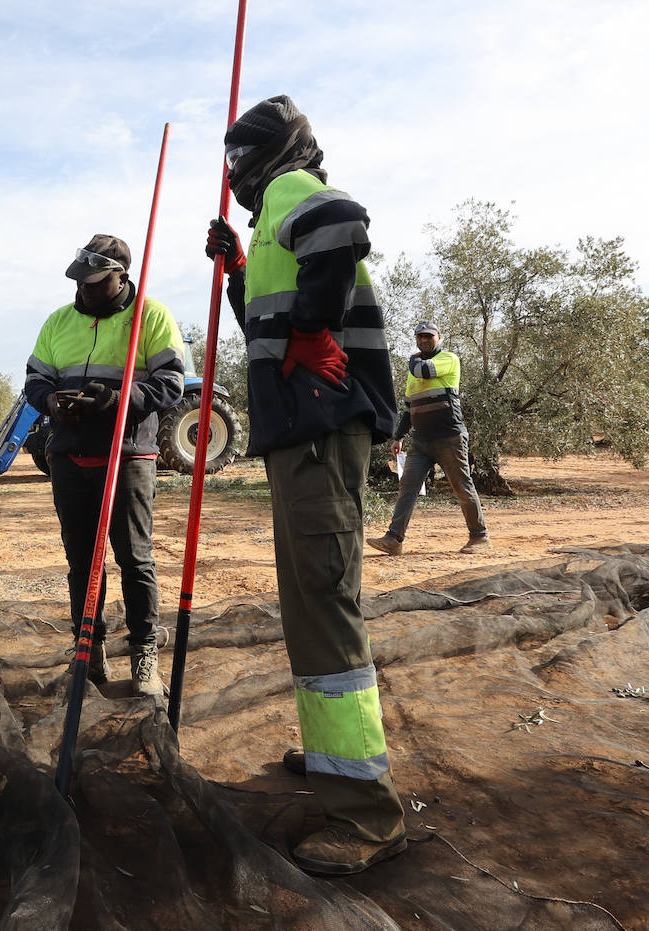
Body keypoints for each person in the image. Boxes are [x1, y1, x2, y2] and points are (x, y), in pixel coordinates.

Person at [204, 95, 407, 875]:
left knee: (325, 603)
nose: (234, 174)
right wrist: (239, 270)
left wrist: (314, 332)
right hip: (302, 435)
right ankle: (334, 763)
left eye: (236, 158)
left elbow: (342, 223)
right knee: (310, 605)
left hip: (322, 428)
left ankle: (364, 814)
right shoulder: (267, 225)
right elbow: (264, 319)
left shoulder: (292, 191)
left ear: (270, 151)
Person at [24, 234, 185, 698]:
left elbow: (171, 384)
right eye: (80, 282)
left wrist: (119, 400)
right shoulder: (57, 321)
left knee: (135, 559)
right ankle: (88, 654)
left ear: (122, 277)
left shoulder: (150, 317)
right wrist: (51, 401)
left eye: (96, 283)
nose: (86, 292)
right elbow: (35, 380)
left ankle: (143, 657)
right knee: (80, 561)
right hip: (69, 455)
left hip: (129, 454)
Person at [368, 321, 489, 555]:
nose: (423, 340)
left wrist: (413, 359)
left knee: (462, 487)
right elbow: (409, 407)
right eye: (420, 337)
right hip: (421, 441)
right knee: (407, 487)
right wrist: (399, 437)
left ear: (439, 337)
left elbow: (421, 370)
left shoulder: (448, 359)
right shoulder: (414, 368)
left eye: (428, 336)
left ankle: (480, 537)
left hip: (449, 437)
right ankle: (394, 539)